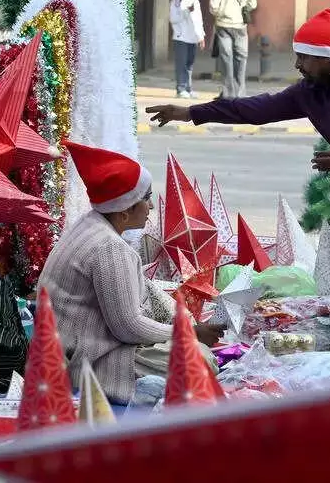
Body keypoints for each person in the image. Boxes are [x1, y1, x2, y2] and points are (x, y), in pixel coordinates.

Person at [147, 8, 330, 304]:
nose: (297, 63)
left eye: (304, 56)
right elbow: (257, 109)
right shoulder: (309, 91)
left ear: (327, 58)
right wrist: (191, 112)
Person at [38, 143, 224, 405]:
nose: (150, 206)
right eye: (145, 198)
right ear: (124, 211)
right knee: (201, 362)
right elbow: (129, 328)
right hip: (87, 363)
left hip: (71, 351)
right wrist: (189, 332)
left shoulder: (89, 225)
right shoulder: (109, 249)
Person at [210, 0, 257, 99]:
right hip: (240, 25)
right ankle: (240, 92)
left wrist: (222, 12)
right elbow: (253, 4)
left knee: (226, 59)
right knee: (241, 59)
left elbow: (213, 7)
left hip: (223, 25)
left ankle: (228, 92)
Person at [170, 0, 205, 99]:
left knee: (189, 65)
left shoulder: (195, 0)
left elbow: (199, 20)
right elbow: (173, 18)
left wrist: (201, 36)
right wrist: (186, 12)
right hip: (181, 37)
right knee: (182, 64)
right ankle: (181, 89)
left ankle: (188, 88)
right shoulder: (177, 0)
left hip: (192, 38)